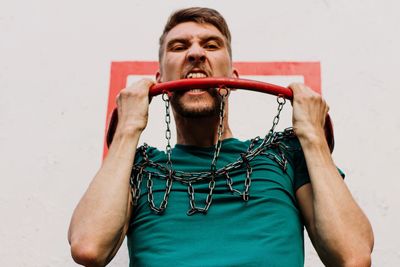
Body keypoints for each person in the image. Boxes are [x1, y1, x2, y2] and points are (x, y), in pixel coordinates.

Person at [68, 7, 374, 267]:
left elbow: (353, 255)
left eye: (211, 45)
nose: (196, 53)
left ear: (232, 79)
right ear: (158, 81)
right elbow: (88, 247)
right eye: (178, 47)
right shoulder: (139, 166)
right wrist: (127, 129)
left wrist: (313, 138)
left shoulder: (285, 154)